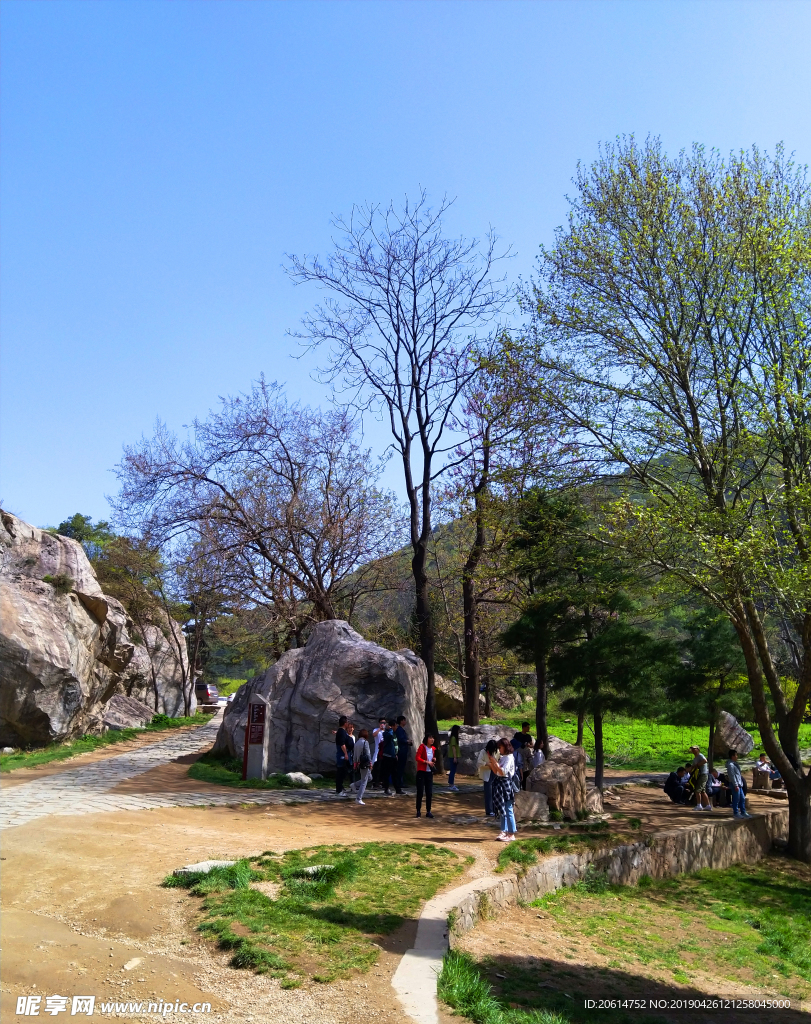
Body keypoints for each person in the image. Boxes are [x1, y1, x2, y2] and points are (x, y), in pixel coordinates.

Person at [489, 737, 518, 842]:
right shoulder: (503, 757)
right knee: (502, 809)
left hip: (506, 785)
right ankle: (503, 831)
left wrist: (494, 763)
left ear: (505, 746)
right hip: (500, 783)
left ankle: (511, 833)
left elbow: (503, 772)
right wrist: (491, 762)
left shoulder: (509, 757)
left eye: (500, 747)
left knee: (508, 809)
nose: (499, 749)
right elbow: (496, 772)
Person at [415, 734, 436, 818]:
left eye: (432, 737)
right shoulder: (422, 747)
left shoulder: (433, 749)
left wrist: (433, 760)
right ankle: (418, 811)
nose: (432, 739)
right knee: (420, 792)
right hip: (421, 772)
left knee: (429, 792)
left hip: (429, 773)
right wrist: (426, 762)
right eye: (430, 738)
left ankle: (428, 811)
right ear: (426, 739)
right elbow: (417, 758)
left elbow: (432, 758)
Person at [726, 749, 751, 818]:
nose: (737, 757)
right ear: (732, 756)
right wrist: (736, 785)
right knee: (736, 799)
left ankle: (743, 812)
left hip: (739, 784)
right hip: (735, 785)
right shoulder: (730, 765)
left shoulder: (735, 764)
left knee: (742, 798)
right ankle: (736, 813)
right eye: (736, 755)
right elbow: (732, 776)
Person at [476, 739, 498, 816]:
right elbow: (479, 762)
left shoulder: (496, 751)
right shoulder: (483, 752)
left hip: (495, 773)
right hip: (487, 774)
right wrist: (487, 764)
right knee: (488, 793)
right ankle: (489, 811)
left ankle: (495, 810)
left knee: (495, 792)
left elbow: (499, 759)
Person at [689, 745, 712, 812]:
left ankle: (699, 805)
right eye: (692, 749)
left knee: (697, 790)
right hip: (699, 775)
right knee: (702, 791)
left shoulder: (700, 755)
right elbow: (693, 766)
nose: (693, 750)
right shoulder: (695, 759)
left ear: (698, 749)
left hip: (703, 774)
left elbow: (705, 760)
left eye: (694, 749)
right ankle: (708, 806)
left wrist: (697, 765)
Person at [353, 728, 373, 805]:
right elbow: (368, 754)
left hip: (359, 763)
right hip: (365, 763)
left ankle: (354, 785)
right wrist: (370, 764)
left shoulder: (357, 743)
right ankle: (358, 798)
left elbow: (354, 755)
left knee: (369, 778)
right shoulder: (365, 742)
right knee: (364, 781)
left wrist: (355, 764)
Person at [379, 720, 398, 796]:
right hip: (387, 756)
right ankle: (386, 789)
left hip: (393, 756)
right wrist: (389, 729)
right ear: (392, 726)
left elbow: (395, 744)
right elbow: (389, 736)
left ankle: (398, 789)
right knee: (386, 773)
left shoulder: (394, 733)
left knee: (395, 773)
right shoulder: (386, 733)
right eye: (395, 726)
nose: (396, 727)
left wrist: (396, 754)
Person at [394, 715, 412, 794]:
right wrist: (407, 741)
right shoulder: (399, 730)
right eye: (404, 720)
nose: (405, 721)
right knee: (400, 767)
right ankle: (399, 783)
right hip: (401, 751)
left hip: (403, 750)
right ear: (401, 721)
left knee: (401, 767)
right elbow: (401, 739)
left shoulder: (401, 729)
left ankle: (400, 782)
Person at [335, 716, 351, 796]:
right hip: (341, 754)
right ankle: (339, 790)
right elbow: (342, 744)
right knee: (341, 772)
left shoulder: (341, 731)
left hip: (342, 754)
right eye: (347, 722)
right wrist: (345, 754)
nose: (348, 724)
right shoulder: (341, 732)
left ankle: (340, 788)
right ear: (345, 723)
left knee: (343, 771)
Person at [370, 717, 387, 789]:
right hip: (378, 751)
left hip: (385, 752)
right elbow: (373, 735)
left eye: (384, 723)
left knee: (383, 768)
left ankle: (381, 782)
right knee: (377, 767)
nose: (383, 724)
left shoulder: (386, 732)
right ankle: (374, 783)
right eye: (381, 723)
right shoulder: (376, 730)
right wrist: (380, 729)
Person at [447, 725, 461, 792]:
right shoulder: (453, 738)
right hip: (453, 757)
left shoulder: (454, 738)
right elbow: (453, 748)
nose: (459, 732)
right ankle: (451, 784)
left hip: (454, 756)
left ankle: (451, 784)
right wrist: (455, 757)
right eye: (458, 730)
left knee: (453, 770)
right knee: (452, 771)